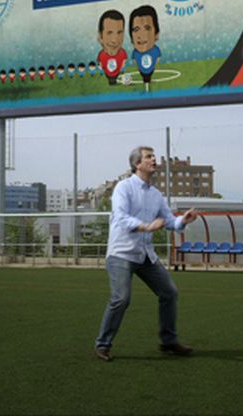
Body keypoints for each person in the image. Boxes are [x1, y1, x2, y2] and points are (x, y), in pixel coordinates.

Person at [94, 146, 198, 362]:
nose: (154, 160)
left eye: (154, 156)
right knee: (121, 299)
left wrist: (182, 221)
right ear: (137, 164)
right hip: (121, 254)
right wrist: (146, 226)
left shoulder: (155, 194)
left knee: (169, 293)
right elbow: (121, 218)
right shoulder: (124, 187)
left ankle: (168, 342)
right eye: (149, 157)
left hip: (145, 255)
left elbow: (169, 220)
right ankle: (102, 345)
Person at [129, 5, 161, 92]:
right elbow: (136, 61)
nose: (141, 35)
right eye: (136, 30)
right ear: (131, 38)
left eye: (147, 28)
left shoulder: (155, 50)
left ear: (156, 34)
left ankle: (147, 86)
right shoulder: (135, 53)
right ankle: (146, 86)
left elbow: (157, 59)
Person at [96, 10, 128, 86]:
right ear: (100, 37)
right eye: (109, 33)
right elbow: (100, 63)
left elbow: (123, 62)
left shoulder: (122, 53)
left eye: (119, 33)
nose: (114, 40)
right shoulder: (101, 55)